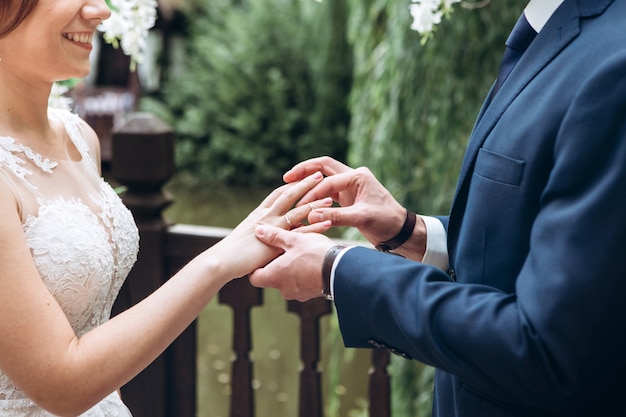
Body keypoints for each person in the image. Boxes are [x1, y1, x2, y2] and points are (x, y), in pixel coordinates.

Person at [249, 0, 626, 415]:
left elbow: (547, 348)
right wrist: (411, 233)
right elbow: (544, 246)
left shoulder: (613, 63)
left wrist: (339, 269)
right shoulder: (551, 34)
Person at [0, 0, 332, 415]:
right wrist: (218, 263)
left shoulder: (79, 138)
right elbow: (62, 384)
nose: (100, 12)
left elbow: (98, 330)